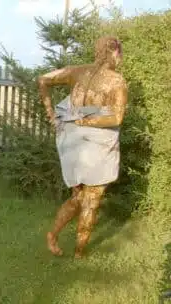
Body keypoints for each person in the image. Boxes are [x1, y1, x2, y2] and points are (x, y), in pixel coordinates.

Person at [36, 36, 128, 258]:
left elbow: (42, 80)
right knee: (92, 199)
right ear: (115, 52)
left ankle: (53, 236)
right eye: (120, 54)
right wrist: (86, 120)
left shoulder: (77, 71)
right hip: (98, 143)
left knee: (78, 196)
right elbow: (116, 118)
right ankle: (79, 254)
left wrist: (51, 113)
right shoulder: (117, 81)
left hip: (73, 142)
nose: (121, 59)